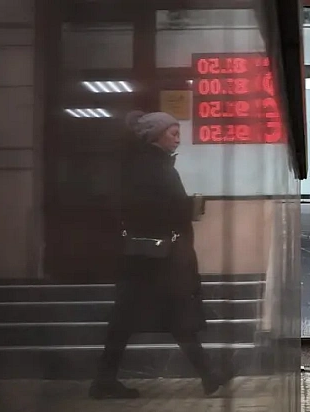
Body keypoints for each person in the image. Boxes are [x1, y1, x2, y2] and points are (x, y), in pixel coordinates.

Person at [89, 111, 232, 399]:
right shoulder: (151, 166)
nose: (178, 138)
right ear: (155, 135)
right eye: (173, 133)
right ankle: (208, 375)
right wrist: (187, 208)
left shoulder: (148, 164)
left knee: (141, 318)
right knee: (160, 316)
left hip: (148, 257)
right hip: (154, 258)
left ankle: (208, 375)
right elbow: (152, 208)